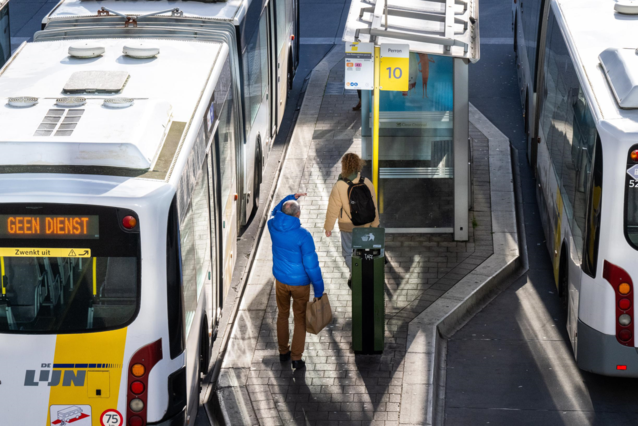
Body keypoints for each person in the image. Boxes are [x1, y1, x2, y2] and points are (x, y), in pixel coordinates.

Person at [268, 193, 324, 370]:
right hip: (300, 284)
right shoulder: (303, 236)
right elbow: (311, 266)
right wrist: (319, 290)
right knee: (300, 319)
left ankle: (283, 352)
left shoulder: (272, 226)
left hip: (281, 281)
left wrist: (290, 197)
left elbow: (275, 212)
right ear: (298, 215)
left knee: (282, 314)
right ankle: (296, 358)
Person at [324, 153, 380, 287]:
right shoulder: (366, 182)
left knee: (348, 252)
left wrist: (328, 227)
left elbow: (333, 208)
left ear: (344, 166)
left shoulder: (339, 185)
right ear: (358, 164)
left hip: (347, 226)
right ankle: (363, 272)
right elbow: (373, 206)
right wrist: (375, 224)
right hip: (365, 224)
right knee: (363, 250)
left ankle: (356, 272)